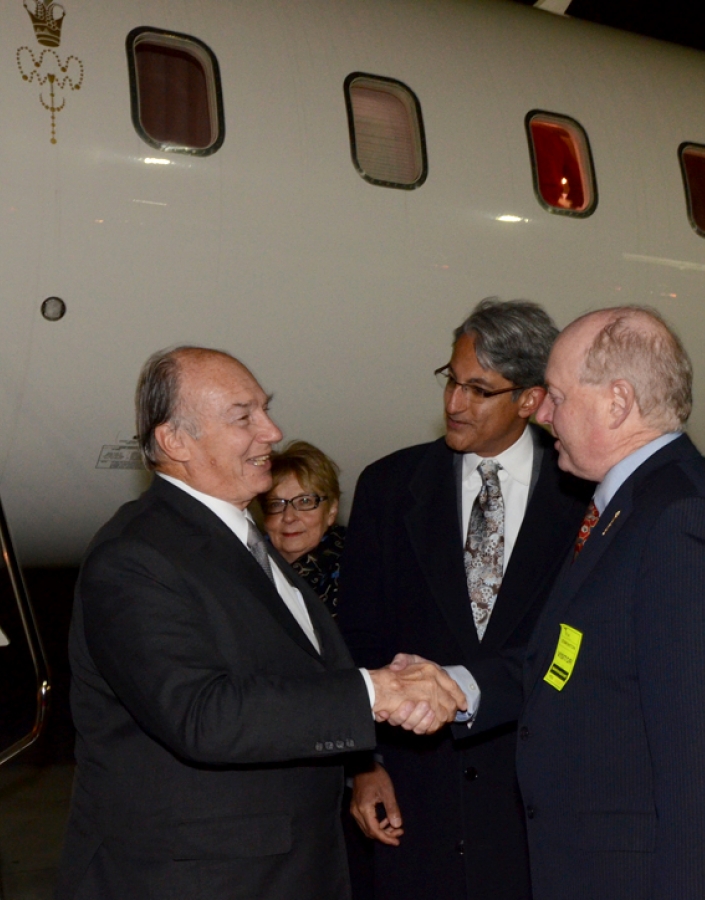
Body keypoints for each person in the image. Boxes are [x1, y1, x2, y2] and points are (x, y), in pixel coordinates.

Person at [56, 346, 466, 900]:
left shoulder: (240, 538)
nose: (271, 431)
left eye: (265, 410)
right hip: (197, 878)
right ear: (175, 441)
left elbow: (292, 672)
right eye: (243, 416)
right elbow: (202, 714)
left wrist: (363, 754)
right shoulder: (136, 556)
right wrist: (374, 692)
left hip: (283, 866)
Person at [513, 306, 705, 900]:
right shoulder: (634, 506)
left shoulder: (686, 525)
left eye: (559, 396)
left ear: (618, 402)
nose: (542, 413)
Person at [339, 299, 590, 900]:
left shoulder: (585, 497)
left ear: (530, 400)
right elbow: (357, 638)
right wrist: (363, 766)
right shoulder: (389, 485)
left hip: (540, 798)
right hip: (414, 797)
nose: (454, 403)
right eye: (451, 380)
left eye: (479, 390)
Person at [260, 440, 345, 615]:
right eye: (276, 504)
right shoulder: (242, 564)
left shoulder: (361, 566)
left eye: (305, 501)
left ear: (331, 510)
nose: (289, 517)